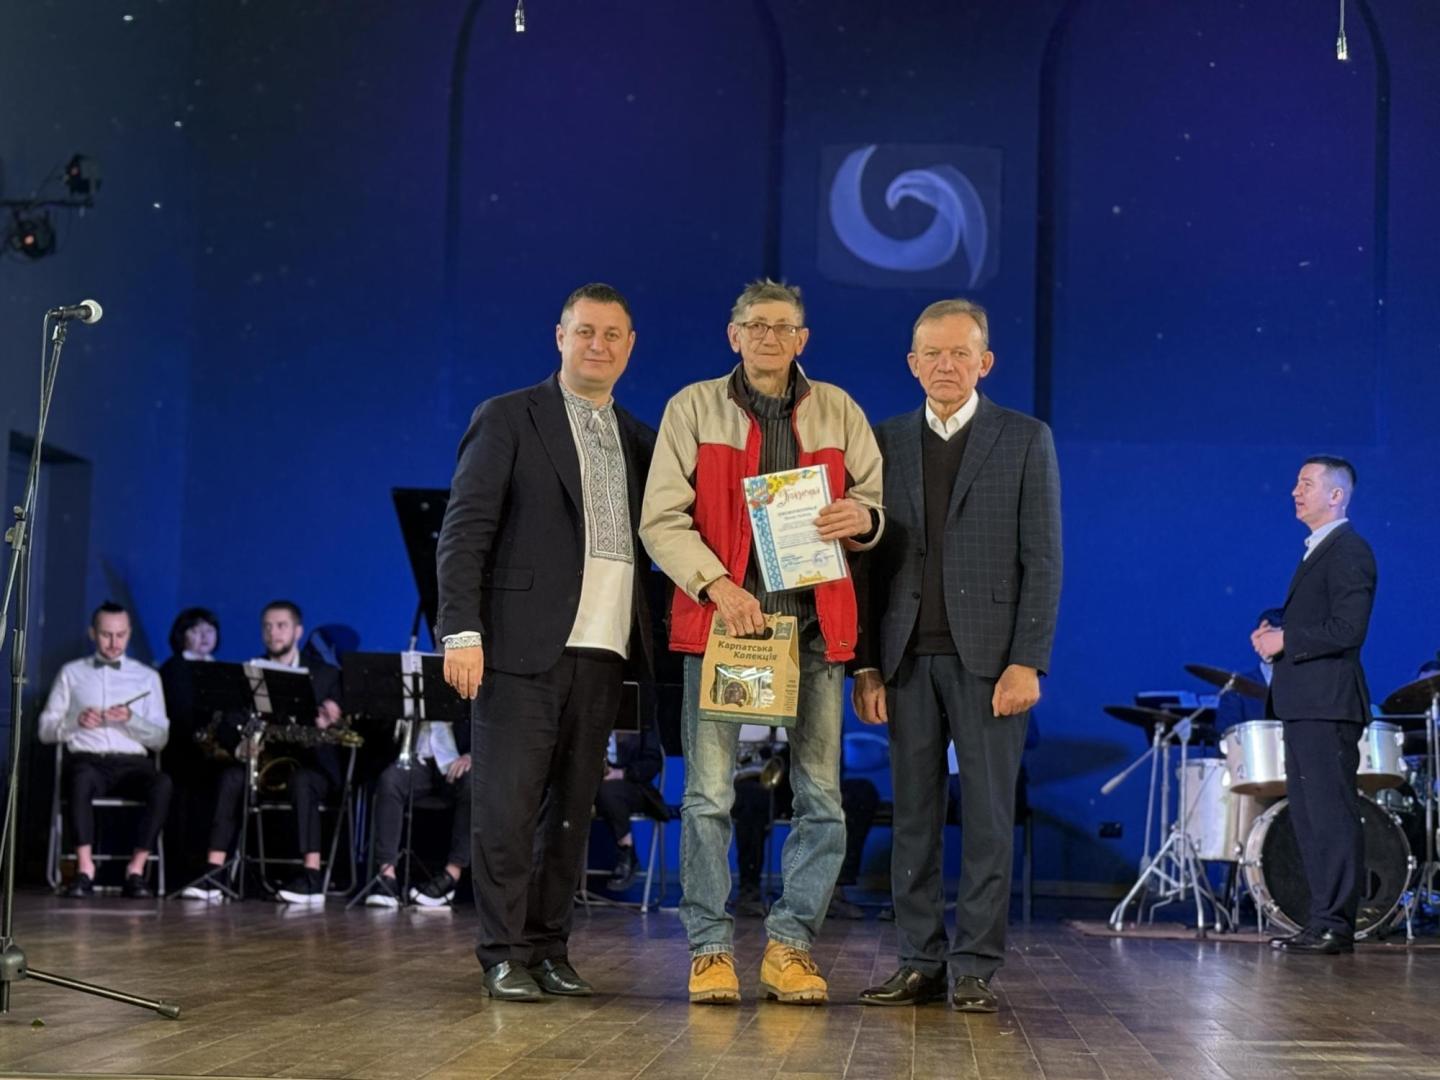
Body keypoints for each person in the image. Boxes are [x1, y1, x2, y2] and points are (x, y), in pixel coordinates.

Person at [640, 278, 884, 1005]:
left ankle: (790, 947)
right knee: (708, 798)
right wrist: (717, 585)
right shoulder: (692, 407)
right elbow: (660, 520)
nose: (769, 337)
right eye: (756, 325)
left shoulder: (839, 409)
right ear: (734, 334)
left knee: (822, 801)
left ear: (802, 339)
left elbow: (876, 506)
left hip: (813, 631)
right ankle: (710, 950)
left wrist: (862, 520)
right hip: (725, 628)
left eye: (783, 327)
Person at [437, 282, 655, 1001]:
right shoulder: (507, 416)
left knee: (571, 813)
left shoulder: (640, 438)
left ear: (630, 347)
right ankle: (502, 952)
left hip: (607, 652)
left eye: (613, 334)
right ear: (560, 337)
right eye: (585, 331)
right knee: (506, 809)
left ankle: (549, 947)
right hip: (517, 648)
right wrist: (461, 631)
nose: (598, 345)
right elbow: (464, 532)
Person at [853, 298, 1061, 1013]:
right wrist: (865, 664)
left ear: (985, 362)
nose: (946, 365)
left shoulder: (1026, 438)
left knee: (988, 821)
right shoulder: (882, 441)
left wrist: (1028, 659)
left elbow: (1044, 557)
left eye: (960, 353)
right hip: (904, 659)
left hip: (992, 664)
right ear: (913, 364)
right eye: (932, 354)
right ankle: (919, 962)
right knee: (913, 818)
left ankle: (974, 967)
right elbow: (865, 566)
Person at [1254, 456, 1376, 955]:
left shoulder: (1349, 550)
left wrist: (1287, 639)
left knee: (1330, 815)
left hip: (1328, 706)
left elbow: (1349, 629)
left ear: (1336, 495)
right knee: (1308, 818)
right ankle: (1320, 919)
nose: (1295, 491)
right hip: (1305, 704)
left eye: (1306, 484)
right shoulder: (1319, 551)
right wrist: (1275, 639)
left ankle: (1336, 925)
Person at [188, 601, 345, 903]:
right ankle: (214, 872)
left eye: (281, 626)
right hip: (263, 763)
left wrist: (331, 721)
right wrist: (240, 745)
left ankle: (311, 876)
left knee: (304, 781)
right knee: (231, 778)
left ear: (298, 631)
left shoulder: (326, 675)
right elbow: (229, 720)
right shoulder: (251, 671)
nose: (273, 633)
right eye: (267, 627)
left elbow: (343, 725)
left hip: (311, 765)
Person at [38, 602, 172, 898]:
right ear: (92, 633)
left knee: (162, 783)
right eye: (106, 635)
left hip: (132, 764)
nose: (113, 643)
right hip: (88, 761)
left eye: (120, 635)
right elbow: (45, 730)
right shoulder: (71, 673)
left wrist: (131, 719)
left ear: (129, 634)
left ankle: (136, 870)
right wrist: (75, 722)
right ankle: (85, 870)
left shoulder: (148, 677)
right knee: (79, 778)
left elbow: (160, 739)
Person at [361, 717, 472, 908]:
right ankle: (387, 875)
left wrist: (472, 755)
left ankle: (451, 875)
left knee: (473, 784)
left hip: (457, 759)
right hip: (418, 760)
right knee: (390, 780)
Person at [159, 606, 222, 884]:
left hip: (215, 755)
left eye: (209, 630)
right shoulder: (172, 669)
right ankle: (181, 871)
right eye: (196, 630)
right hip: (181, 753)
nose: (204, 636)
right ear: (181, 635)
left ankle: (213, 869)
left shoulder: (221, 670)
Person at [593, 697, 665, 891]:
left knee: (607, 790)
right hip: (592, 786)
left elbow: (653, 762)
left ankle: (626, 850)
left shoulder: (642, 711)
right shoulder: (592, 707)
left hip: (632, 786)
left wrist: (622, 773)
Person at [1215, 609, 1282, 730]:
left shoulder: (1304, 683)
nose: (1268, 643)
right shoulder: (1236, 689)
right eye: (1262, 637)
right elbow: (1225, 733)